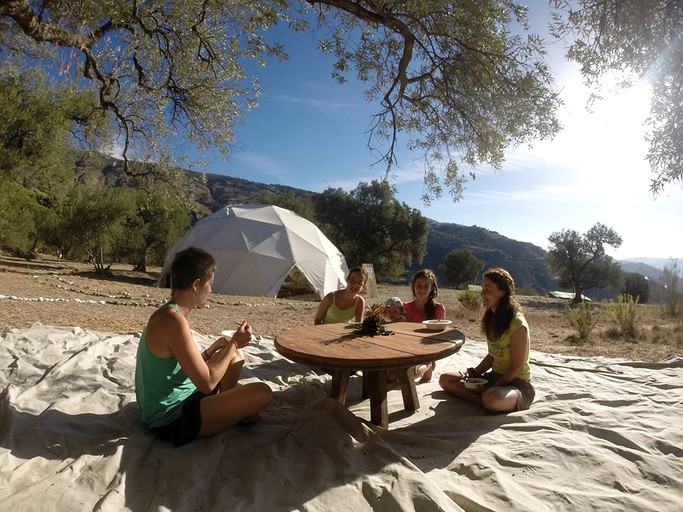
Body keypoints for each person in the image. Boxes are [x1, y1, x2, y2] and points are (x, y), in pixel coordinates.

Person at [135, 246, 273, 446]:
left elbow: (179, 364)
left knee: (234, 357)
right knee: (262, 392)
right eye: (210, 284)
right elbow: (207, 383)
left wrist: (214, 349)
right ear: (196, 285)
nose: (211, 291)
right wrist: (235, 343)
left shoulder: (169, 313)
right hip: (171, 419)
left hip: (185, 395)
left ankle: (228, 410)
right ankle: (230, 413)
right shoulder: (173, 322)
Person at [439, 268, 535, 413]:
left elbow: (517, 368)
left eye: (488, 289)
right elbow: (492, 355)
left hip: (517, 384)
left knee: (492, 398)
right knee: (445, 379)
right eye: (482, 288)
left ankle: (486, 399)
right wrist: (475, 373)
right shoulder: (491, 318)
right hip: (493, 378)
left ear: (503, 292)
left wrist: (494, 386)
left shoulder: (517, 324)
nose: (482, 294)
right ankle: (482, 400)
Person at [404, 269, 446, 382]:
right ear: (413, 286)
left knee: (410, 374)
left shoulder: (438, 309)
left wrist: (431, 357)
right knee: (391, 376)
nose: (421, 289)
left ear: (432, 288)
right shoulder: (405, 307)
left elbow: (439, 337)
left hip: (426, 352)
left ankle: (429, 366)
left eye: (426, 286)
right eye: (418, 285)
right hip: (405, 349)